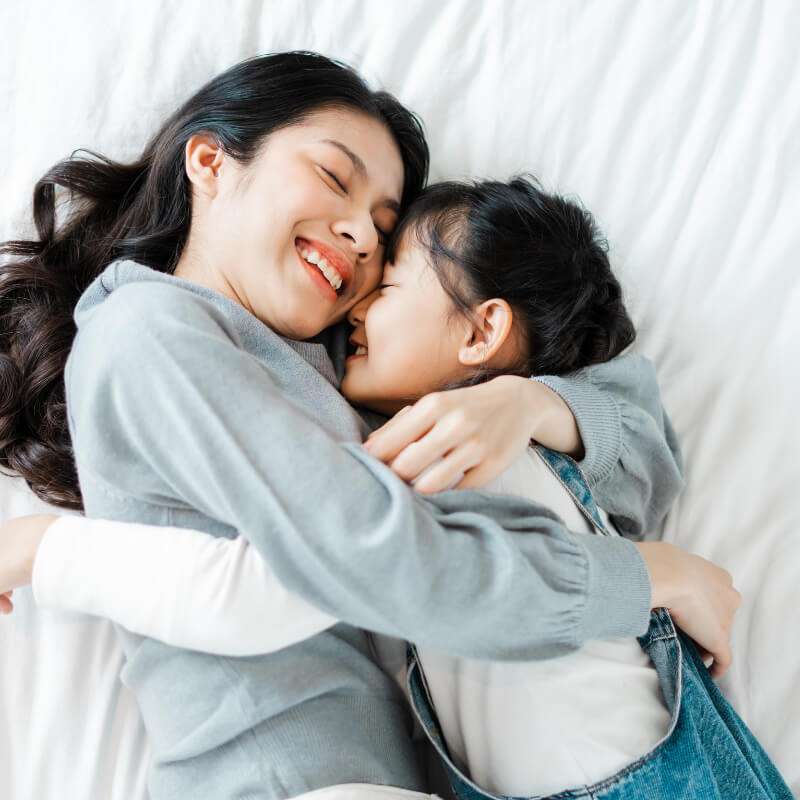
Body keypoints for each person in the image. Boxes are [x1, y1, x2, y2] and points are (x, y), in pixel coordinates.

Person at [0, 52, 739, 800]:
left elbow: (638, 446)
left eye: (384, 233)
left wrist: (527, 405)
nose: (359, 234)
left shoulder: (342, 366)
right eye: (332, 177)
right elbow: (384, 562)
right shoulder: (150, 327)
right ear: (210, 162)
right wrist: (649, 577)